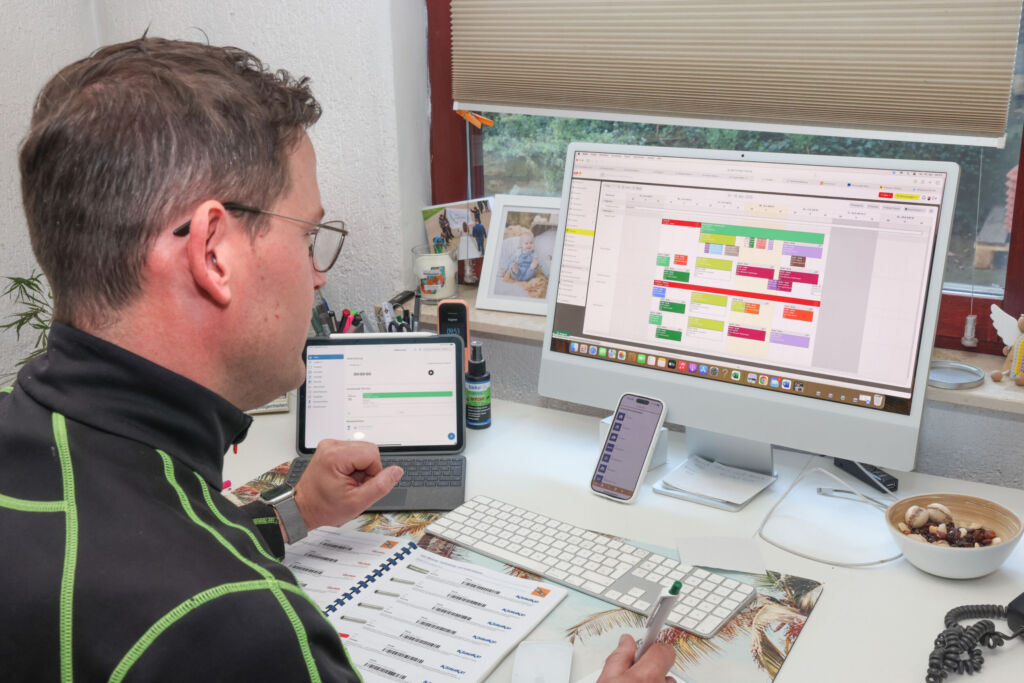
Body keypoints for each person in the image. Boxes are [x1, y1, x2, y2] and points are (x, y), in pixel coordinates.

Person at [0, 36, 676, 682]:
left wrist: (296, 510)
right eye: (309, 236)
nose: (319, 276)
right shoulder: (236, 626)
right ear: (214, 255)